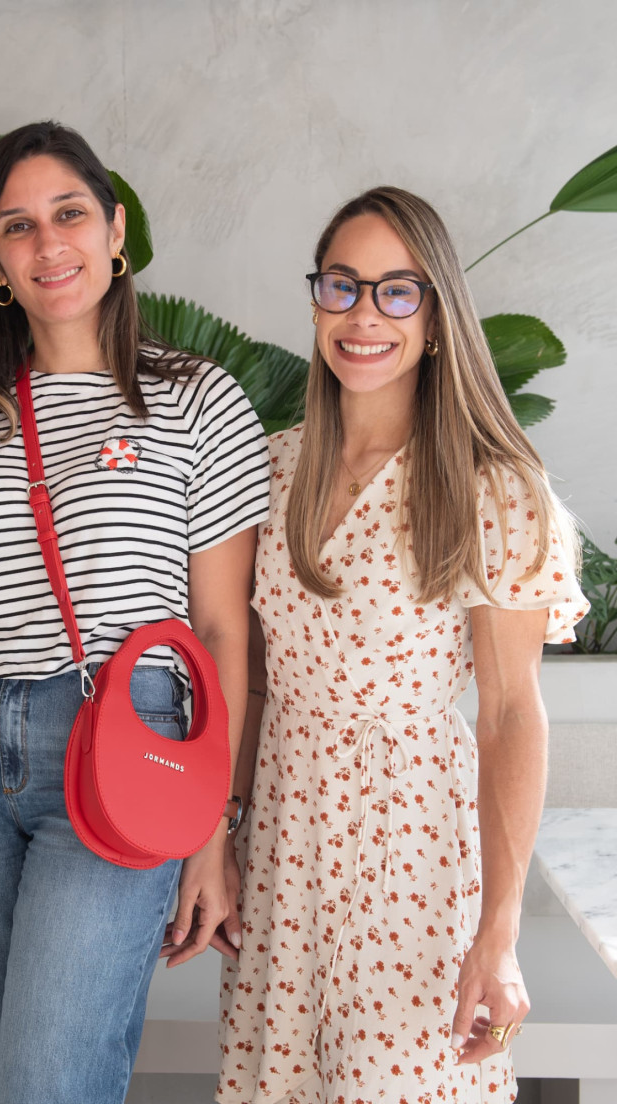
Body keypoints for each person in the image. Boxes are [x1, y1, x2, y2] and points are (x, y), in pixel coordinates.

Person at [0, 121, 269, 1104]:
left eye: (68, 214)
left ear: (113, 229)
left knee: (49, 1084)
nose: (48, 244)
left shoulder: (194, 400)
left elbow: (223, 629)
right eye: (18, 227)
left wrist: (213, 830)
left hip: (118, 748)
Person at [215, 187, 589, 1104]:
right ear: (316, 301)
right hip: (283, 846)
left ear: (437, 312)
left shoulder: (492, 488)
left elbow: (507, 715)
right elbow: (255, 686)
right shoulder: (274, 467)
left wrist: (498, 934)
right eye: (342, 286)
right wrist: (223, 834)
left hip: (410, 852)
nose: (364, 315)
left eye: (397, 291)